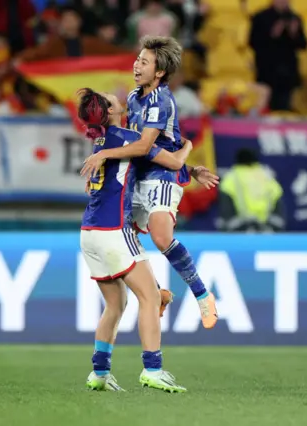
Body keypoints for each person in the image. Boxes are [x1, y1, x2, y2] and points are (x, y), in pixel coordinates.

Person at [81, 35, 219, 329]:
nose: (136, 65)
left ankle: (202, 294)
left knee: (160, 236)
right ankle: (156, 292)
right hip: (142, 176)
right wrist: (192, 166)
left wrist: (104, 153)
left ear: (159, 72)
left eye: (144, 61)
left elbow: (144, 147)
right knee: (121, 234)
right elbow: (142, 145)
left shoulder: (162, 100)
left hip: (164, 176)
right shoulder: (133, 97)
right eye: (137, 59)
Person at [78, 88, 188, 393]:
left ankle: (99, 373)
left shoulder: (101, 143)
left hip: (89, 233)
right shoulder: (131, 139)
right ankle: (153, 368)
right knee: (149, 298)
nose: (118, 100)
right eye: (111, 101)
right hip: (114, 230)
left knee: (115, 304)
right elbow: (174, 162)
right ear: (110, 113)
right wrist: (188, 147)